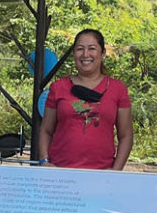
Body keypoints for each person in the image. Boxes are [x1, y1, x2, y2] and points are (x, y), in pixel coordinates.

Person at [38, 29, 133, 170]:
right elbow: (46, 130)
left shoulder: (118, 89)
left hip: (102, 174)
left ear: (103, 53)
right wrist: (44, 161)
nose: (85, 54)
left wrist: (115, 171)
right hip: (60, 172)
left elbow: (126, 135)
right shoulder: (58, 87)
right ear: (74, 54)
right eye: (80, 49)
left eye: (92, 48)